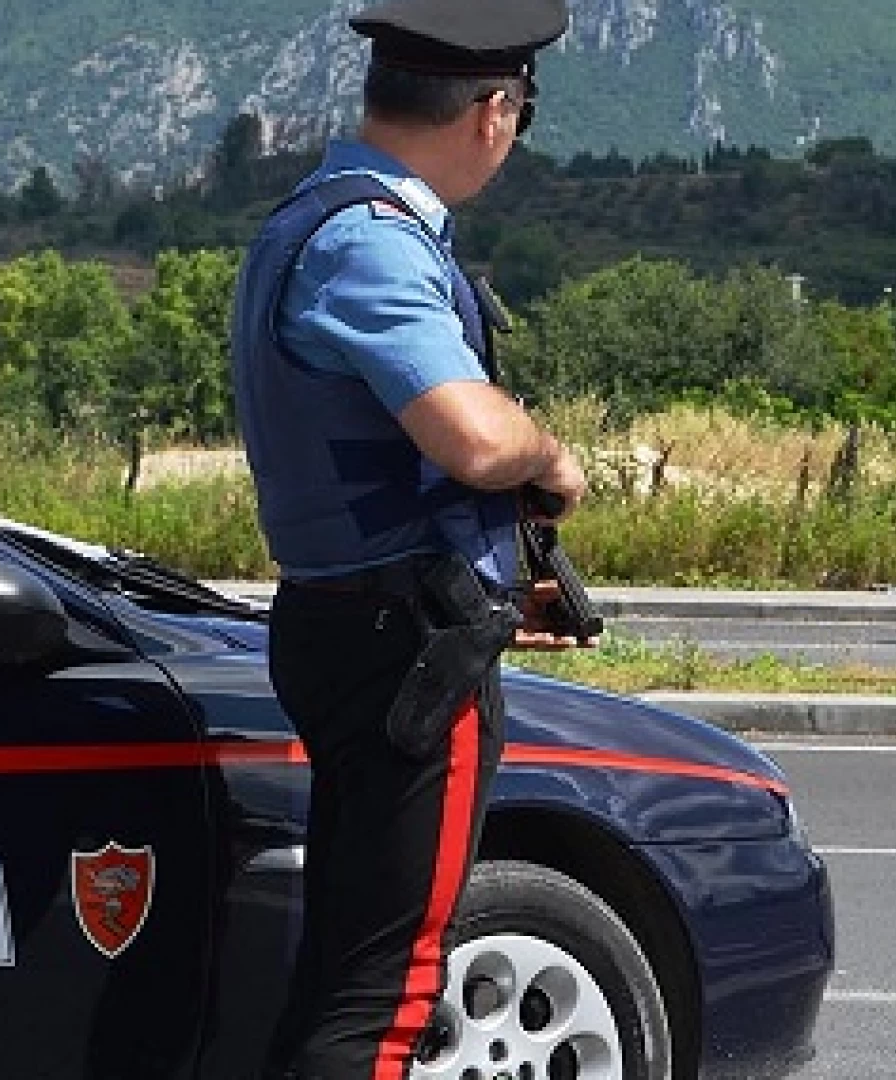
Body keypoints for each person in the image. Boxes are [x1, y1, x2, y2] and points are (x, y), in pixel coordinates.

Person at [227, 1, 587, 1077]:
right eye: (520, 115)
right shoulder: (371, 241)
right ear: (494, 111)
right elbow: (473, 439)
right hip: (404, 651)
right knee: (386, 995)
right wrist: (550, 455)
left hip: (357, 618)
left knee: (351, 966)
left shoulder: (309, 219)